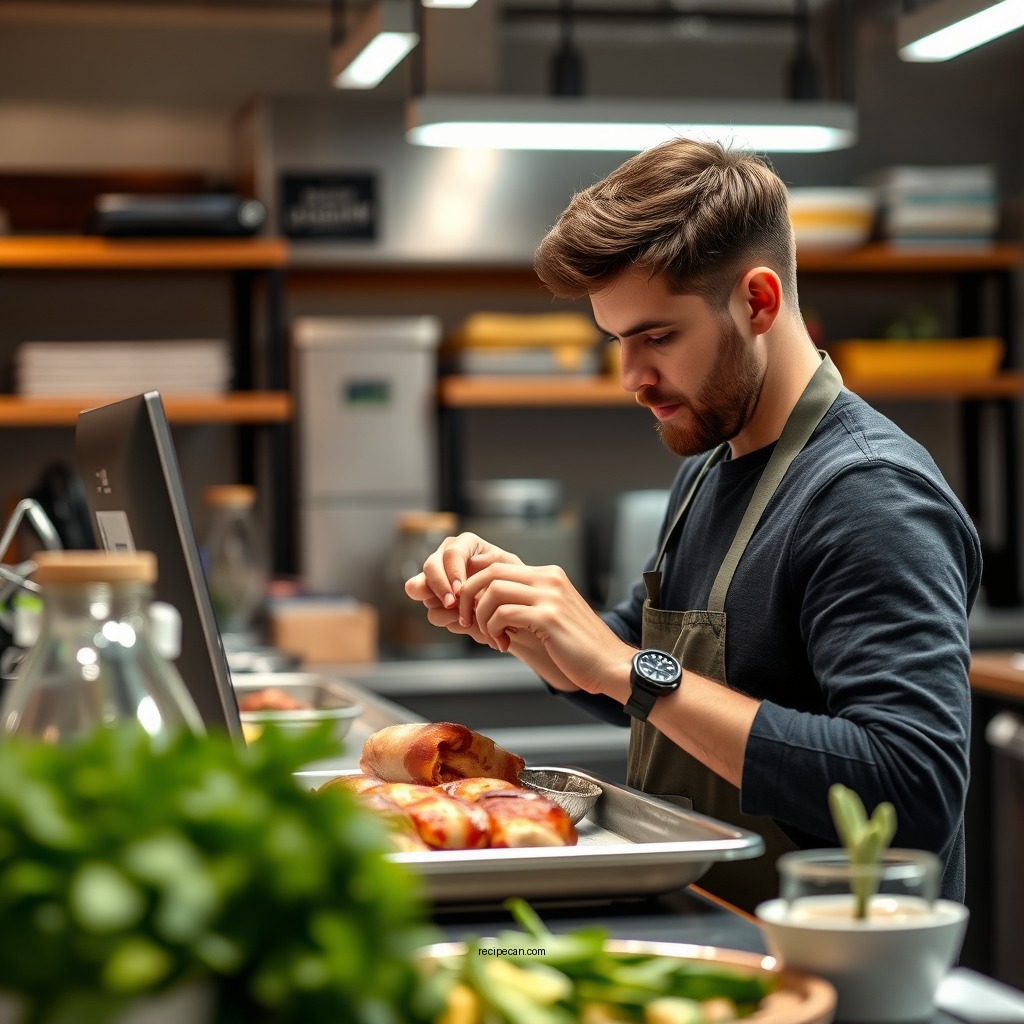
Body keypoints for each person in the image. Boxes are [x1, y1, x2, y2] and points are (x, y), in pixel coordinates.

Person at [405, 137, 982, 912]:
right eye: (617, 341)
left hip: (828, 968)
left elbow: (910, 788)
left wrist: (623, 668)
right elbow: (635, 667)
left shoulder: (869, 497)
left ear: (759, 301)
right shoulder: (710, 467)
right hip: (712, 925)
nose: (632, 379)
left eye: (658, 337)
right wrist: (519, 612)